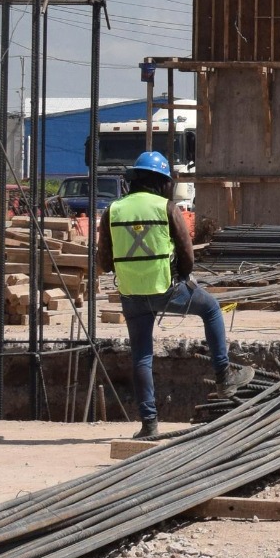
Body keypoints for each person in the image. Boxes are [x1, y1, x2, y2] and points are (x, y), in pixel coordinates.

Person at [106, 150, 246, 440]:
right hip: (167, 289)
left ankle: (148, 425)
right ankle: (224, 376)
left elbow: (103, 262)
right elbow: (186, 253)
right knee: (210, 309)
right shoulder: (168, 208)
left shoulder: (113, 210)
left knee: (141, 357)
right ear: (161, 181)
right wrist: (182, 277)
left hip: (131, 293)